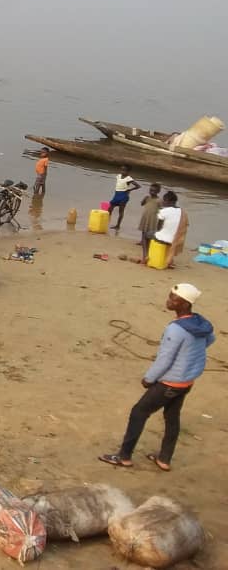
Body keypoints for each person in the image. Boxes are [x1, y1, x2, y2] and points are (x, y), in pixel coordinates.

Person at [99, 284, 214, 471]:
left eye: (174, 299)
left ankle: (124, 456)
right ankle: (164, 458)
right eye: (170, 296)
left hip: (170, 382)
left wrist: (149, 378)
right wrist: (188, 355)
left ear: (185, 304)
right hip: (187, 381)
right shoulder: (200, 323)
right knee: (172, 417)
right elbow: (209, 340)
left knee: (139, 412)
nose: (169, 300)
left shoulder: (176, 329)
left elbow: (165, 359)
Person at [154, 191, 186, 267]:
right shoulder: (182, 212)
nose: (163, 202)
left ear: (168, 201)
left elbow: (158, 227)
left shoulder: (164, 211)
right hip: (176, 240)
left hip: (165, 239)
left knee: (146, 234)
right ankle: (170, 260)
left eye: (164, 200)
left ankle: (145, 257)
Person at [108, 164, 140, 230]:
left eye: (124, 170)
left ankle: (117, 226)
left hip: (124, 196)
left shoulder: (129, 178)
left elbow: (138, 186)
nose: (123, 171)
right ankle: (107, 221)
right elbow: (118, 184)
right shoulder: (118, 176)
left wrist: (130, 190)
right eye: (122, 170)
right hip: (116, 194)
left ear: (128, 171)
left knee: (121, 211)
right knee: (110, 208)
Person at [137, 183, 162, 264]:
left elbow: (162, 211)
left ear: (158, 191)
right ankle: (144, 250)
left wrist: (160, 224)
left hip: (153, 220)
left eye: (154, 191)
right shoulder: (147, 198)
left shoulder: (159, 200)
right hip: (145, 218)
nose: (152, 192)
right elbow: (141, 204)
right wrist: (144, 199)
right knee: (144, 232)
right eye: (150, 190)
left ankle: (148, 253)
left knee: (150, 235)